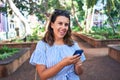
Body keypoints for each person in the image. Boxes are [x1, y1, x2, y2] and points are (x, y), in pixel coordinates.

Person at [29, 9, 86, 80]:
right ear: (52, 25)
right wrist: (63, 63)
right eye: (60, 23)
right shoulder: (42, 45)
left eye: (66, 24)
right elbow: (43, 75)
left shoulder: (73, 44)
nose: (63, 27)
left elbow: (79, 73)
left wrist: (78, 66)